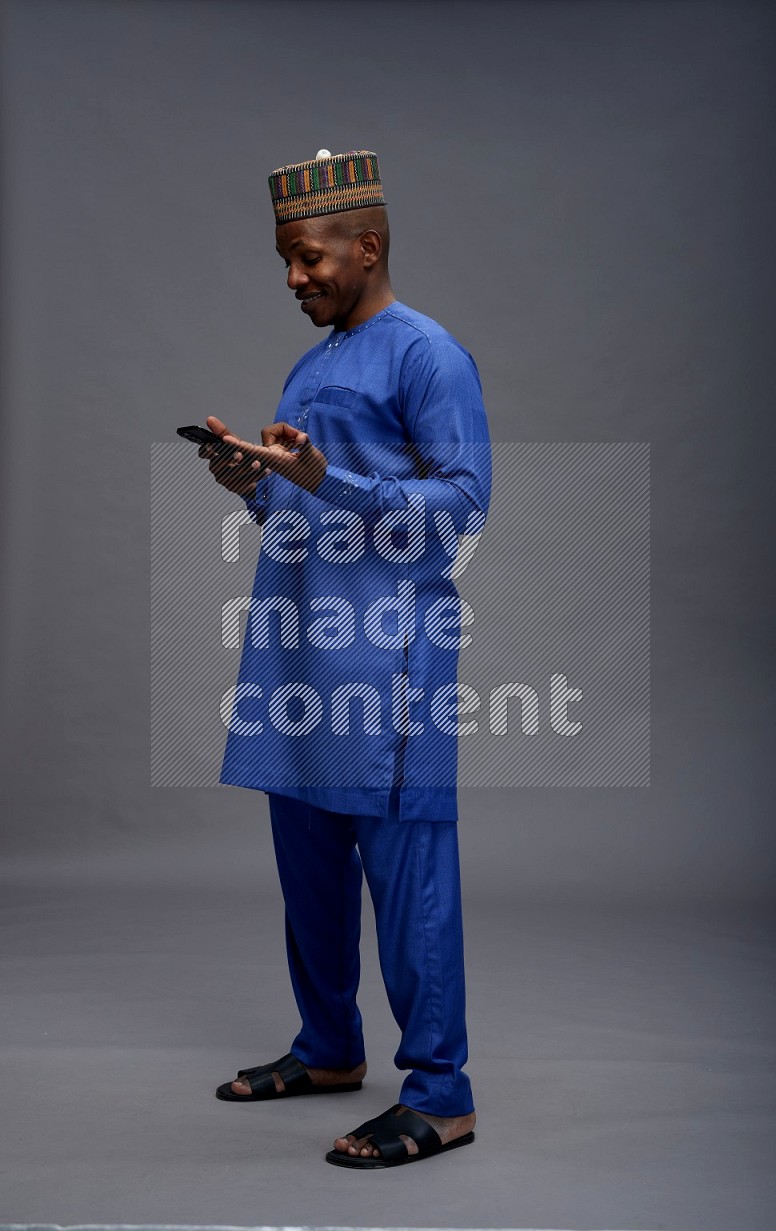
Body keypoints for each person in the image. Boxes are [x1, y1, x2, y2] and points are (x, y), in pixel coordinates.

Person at [200, 149, 492, 1168]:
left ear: (366, 247)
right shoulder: (313, 364)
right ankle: (328, 1047)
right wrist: (254, 480)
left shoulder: (426, 355)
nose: (294, 277)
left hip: (387, 660)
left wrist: (337, 482)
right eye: (285, 260)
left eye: (308, 257)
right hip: (299, 654)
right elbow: (305, 502)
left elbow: (460, 506)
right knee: (309, 868)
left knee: (407, 877)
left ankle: (442, 1092)